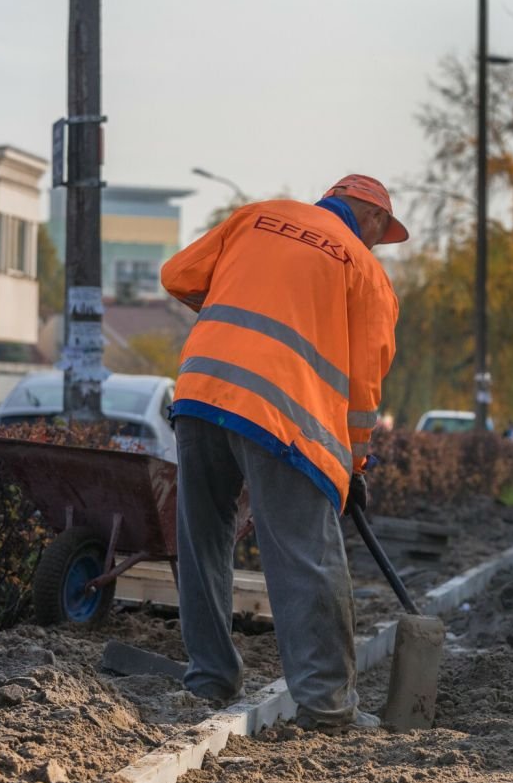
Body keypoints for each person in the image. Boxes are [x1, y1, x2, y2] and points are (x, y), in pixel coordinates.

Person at [161, 174, 406, 731]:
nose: (378, 243)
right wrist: (354, 466)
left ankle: (209, 679)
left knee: (203, 541)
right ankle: (327, 707)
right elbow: (364, 387)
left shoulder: (256, 216)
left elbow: (177, 276)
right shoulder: (364, 270)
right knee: (308, 556)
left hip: (201, 392)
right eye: (382, 232)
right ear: (371, 216)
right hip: (281, 416)